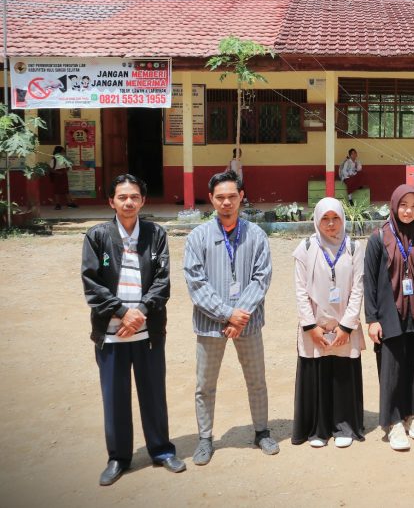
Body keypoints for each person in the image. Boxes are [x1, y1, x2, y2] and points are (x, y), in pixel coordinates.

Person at [81, 174, 185, 486]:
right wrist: (124, 313)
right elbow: (91, 282)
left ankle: (161, 449)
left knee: (154, 393)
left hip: (148, 330)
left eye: (134, 196)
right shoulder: (97, 236)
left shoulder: (155, 234)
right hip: (111, 333)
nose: (129, 202)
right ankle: (118, 457)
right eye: (122, 197)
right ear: (111, 201)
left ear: (143, 200)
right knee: (115, 397)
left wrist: (139, 313)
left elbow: (163, 281)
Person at [183, 170, 278, 465]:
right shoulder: (197, 237)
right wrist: (227, 314)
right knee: (205, 385)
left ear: (241, 197)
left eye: (232, 197)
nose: (226, 203)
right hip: (211, 325)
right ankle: (205, 439)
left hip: (248, 324)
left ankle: (261, 431)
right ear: (211, 199)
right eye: (220, 197)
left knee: (256, 380)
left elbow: (261, 278)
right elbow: (195, 282)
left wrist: (240, 316)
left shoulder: (257, 235)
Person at [363, 184, 414, 451]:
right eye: (403, 205)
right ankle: (394, 422)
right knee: (392, 370)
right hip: (390, 315)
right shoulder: (379, 237)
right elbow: (370, 282)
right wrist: (372, 319)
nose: (408, 211)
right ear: (394, 205)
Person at [291, 197, 366, 449]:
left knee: (343, 374)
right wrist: (311, 326)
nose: (331, 224)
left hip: (345, 324)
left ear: (343, 219)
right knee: (318, 373)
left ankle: (343, 425)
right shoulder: (306, 248)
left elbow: (358, 289)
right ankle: (318, 429)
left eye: (335, 218)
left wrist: (346, 326)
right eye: (325, 218)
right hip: (315, 327)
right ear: (317, 220)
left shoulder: (354, 248)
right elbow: (300, 290)